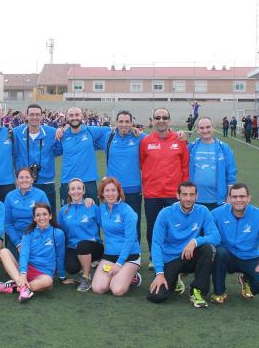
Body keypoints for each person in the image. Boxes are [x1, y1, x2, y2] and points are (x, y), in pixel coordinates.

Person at [210, 183, 259, 303]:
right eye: (235, 197)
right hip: (227, 257)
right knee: (219, 252)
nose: (238, 200)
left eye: (242, 196)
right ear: (229, 198)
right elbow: (203, 228)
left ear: (249, 198)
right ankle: (219, 292)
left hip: (250, 258)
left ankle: (247, 279)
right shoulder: (217, 213)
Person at [147, 181, 220, 308]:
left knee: (208, 249)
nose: (188, 198)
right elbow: (157, 244)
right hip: (170, 259)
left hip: (190, 255)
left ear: (197, 196)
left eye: (192, 195)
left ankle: (197, 292)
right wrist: (159, 273)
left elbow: (216, 237)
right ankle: (175, 278)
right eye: (184, 194)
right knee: (156, 296)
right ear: (177, 195)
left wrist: (195, 241)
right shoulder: (165, 213)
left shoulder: (203, 211)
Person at [140, 108, 189, 265]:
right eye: (157, 117)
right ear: (153, 120)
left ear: (169, 120)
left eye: (164, 117)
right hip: (152, 193)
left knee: (175, 227)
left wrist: (184, 191)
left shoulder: (179, 140)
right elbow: (142, 164)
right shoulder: (146, 141)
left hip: (173, 193)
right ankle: (154, 258)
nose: (161, 120)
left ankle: (175, 257)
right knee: (153, 227)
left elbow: (185, 166)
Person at [0, 203, 66, 302]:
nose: (41, 217)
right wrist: (23, 274)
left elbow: (60, 256)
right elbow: (24, 254)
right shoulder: (28, 233)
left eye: (44, 214)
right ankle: (23, 287)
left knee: (48, 282)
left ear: (50, 216)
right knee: (3, 252)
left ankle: (15, 286)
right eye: (38, 215)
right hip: (27, 270)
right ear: (34, 218)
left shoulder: (58, 233)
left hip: (44, 274)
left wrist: (62, 277)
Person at [96, 110, 145, 240]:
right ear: (116, 123)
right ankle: (115, 254)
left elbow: (156, 140)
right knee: (114, 225)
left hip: (133, 189)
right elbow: (89, 133)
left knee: (133, 224)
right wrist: (63, 128)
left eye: (127, 121)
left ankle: (135, 257)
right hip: (113, 191)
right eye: (121, 121)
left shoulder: (140, 137)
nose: (124, 124)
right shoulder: (108, 136)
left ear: (132, 123)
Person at [91, 178, 142, 297]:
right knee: (98, 288)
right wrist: (88, 200)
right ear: (102, 193)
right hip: (109, 256)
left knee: (116, 290)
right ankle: (121, 275)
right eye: (107, 191)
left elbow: (130, 240)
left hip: (129, 256)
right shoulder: (101, 209)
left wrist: (119, 263)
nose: (110, 194)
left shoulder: (127, 211)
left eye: (113, 190)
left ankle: (133, 277)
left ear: (119, 192)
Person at [56, 107, 110, 206]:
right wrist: (60, 129)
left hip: (88, 181)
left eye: (77, 115)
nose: (74, 118)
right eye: (71, 115)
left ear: (82, 116)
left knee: (92, 216)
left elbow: (112, 130)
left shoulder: (91, 131)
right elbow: (55, 150)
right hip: (67, 181)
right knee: (67, 215)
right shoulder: (62, 135)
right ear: (66, 118)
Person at [12, 104, 61, 209]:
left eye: (38, 114)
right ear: (26, 116)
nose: (35, 117)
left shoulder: (52, 132)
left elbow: (59, 150)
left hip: (46, 182)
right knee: (26, 217)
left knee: (49, 217)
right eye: (32, 114)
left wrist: (62, 129)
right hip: (24, 183)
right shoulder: (17, 132)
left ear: (42, 116)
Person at [57, 178, 103, 292]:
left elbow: (103, 225)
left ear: (83, 191)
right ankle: (85, 266)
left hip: (93, 246)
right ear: (68, 192)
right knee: (71, 268)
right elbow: (60, 232)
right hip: (73, 247)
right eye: (73, 189)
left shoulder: (92, 206)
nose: (76, 191)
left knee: (83, 245)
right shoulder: (63, 211)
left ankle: (86, 276)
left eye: (79, 188)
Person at [188, 117, 237, 210]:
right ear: (197, 130)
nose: (205, 130)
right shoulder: (191, 147)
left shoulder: (224, 148)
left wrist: (230, 196)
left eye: (208, 127)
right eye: (201, 128)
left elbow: (231, 174)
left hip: (217, 201)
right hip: (194, 199)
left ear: (213, 127)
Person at [4, 168, 50, 258]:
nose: (24, 180)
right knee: (10, 260)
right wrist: (18, 243)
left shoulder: (40, 194)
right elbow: (7, 223)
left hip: (36, 236)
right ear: (17, 180)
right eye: (21, 177)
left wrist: (35, 239)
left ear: (32, 180)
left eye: (27, 177)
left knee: (33, 263)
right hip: (17, 238)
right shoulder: (10, 196)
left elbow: (46, 219)